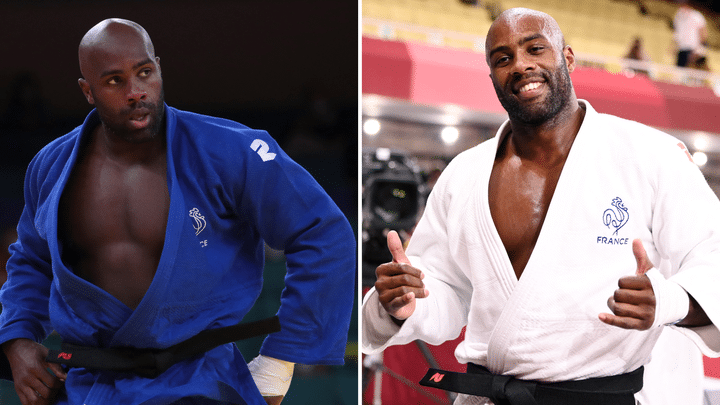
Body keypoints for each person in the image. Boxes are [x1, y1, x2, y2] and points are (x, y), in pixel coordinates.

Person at [361, 7, 720, 405]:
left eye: (535, 48)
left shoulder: (651, 155)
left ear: (567, 57)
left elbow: (713, 259)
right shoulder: (464, 174)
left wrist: (671, 301)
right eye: (503, 58)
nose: (520, 65)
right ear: (492, 75)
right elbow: (446, 293)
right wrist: (401, 302)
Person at [0, 18, 355, 405]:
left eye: (144, 73)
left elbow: (323, 231)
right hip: (89, 385)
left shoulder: (229, 150)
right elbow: (33, 262)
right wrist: (18, 339)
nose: (136, 92)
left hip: (200, 383)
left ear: (159, 68)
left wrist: (279, 362)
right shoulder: (50, 165)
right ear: (88, 91)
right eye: (114, 81)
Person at [673, 0, 707, 68]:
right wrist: (673, 46)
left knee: (692, 71)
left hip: (693, 49)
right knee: (679, 71)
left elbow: (703, 33)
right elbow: (677, 33)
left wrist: (699, 49)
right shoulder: (678, 16)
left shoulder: (697, 16)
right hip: (681, 48)